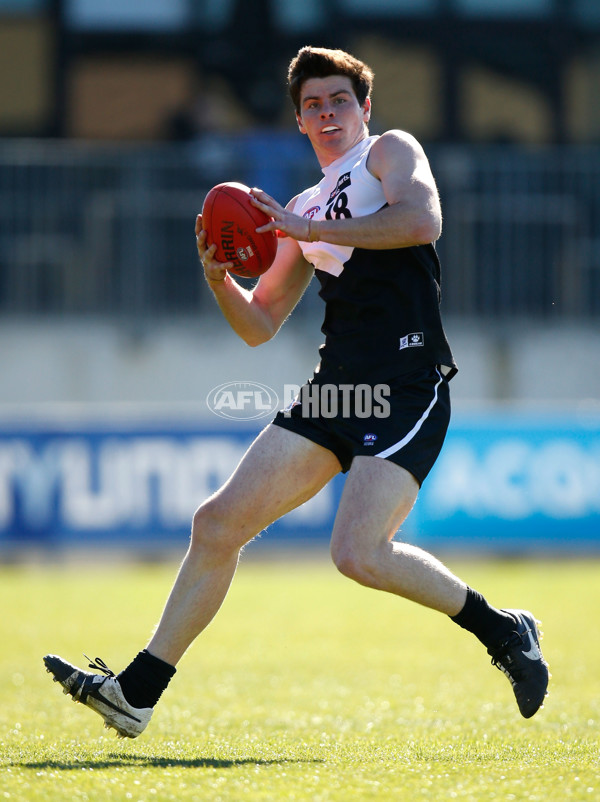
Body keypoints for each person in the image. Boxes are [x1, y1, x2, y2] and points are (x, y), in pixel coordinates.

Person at [44, 46, 548, 738]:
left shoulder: (388, 154)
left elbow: (420, 222)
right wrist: (221, 280)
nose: (328, 113)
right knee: (217, 524)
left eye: (340, 100)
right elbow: (260, 323)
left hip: (405, 381)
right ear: (300, 123)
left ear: (364, 109)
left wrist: (310, 230)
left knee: (358, 554)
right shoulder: (304, 205)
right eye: (313, 105)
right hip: (335, 389)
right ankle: (136, 693)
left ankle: (504, 629)